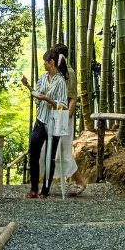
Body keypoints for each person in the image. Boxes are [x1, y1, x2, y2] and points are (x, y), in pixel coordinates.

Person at [21, 49, 68, 198]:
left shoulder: (60, 81)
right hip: (40, 120)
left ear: (52, 63)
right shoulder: (42, 78)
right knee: (33, 152)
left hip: (54, 122)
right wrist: (28, 86)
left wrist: (48, 100)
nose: (43, 65)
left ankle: (45, 191)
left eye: (45, 62)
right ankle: (34, 188)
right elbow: (37, 95)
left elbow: (63, 106)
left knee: (50, 157)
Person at [48, 42, 87, 196]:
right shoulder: (55, 72)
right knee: (52, 149)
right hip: (54, 116)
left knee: (63, 151)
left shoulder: (69, 72)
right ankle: (45, 185)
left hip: (63, 117)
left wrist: (66, 117)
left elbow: (72, 98)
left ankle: (81, 182)